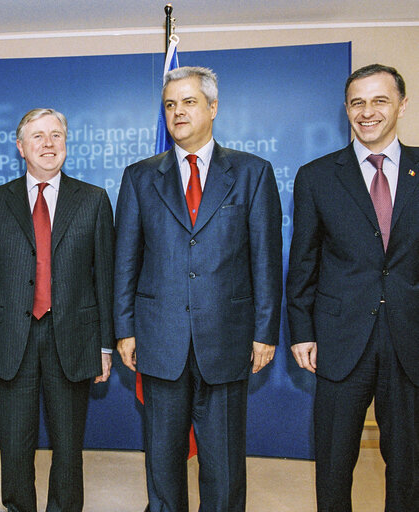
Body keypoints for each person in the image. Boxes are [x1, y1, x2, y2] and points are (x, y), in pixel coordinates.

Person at [114, 66, 283, 511]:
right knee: (163, 462)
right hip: (158, 339)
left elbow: (265, 259)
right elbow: (125, 261)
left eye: (189, 102)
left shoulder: (252, 173)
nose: (178, 112)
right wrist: (124, 329)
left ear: (212, 107)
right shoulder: (138, 177)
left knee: (223, 465)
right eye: (170, 104)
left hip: (227, 340)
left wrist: (265, 331)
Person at [287, 63, 419, 511]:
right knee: (333, 462)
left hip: (411, 339)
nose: (367, 112)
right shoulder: (317, 176)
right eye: (357, 102)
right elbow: (303, 260)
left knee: (409, 465)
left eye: (379, 100)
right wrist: (302, 330)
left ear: (401, 104)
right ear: (346, 109)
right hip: (340, 340)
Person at [0, 108, 115, 512]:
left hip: (72, 338)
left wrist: (105, 346)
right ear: (21, 147)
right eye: (38, 136)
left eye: (56, 135)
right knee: (15, 446)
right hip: (10, 340)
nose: (48, 143)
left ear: (66, 145)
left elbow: (104, 278)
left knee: (68, 447)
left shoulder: (93, 200)